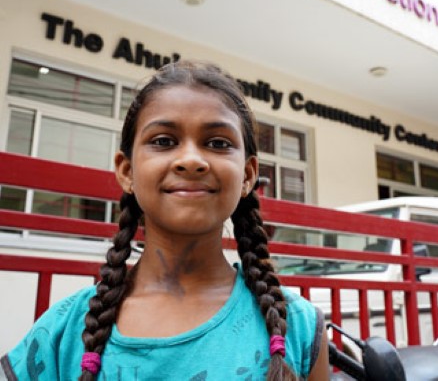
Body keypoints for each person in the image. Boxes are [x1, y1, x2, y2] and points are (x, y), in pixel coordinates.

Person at [1, 60, 329, 380]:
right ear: (127, 171)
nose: (190, 160)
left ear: (247, 175)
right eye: (163, 141)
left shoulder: (298, 327)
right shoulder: (63, 332)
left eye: (218, 143)